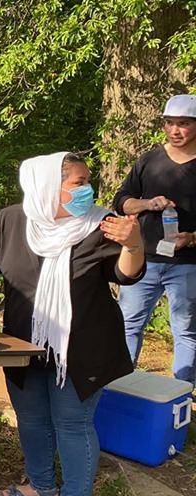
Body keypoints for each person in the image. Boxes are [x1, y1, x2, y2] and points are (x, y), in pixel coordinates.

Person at [0, 152, 144, 496]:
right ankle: (42, 485)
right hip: (23, 340)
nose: (88, 189)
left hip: (82, 346)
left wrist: (133, 245)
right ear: (47, 185)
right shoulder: (11, 220)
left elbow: (125, 275)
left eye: (87, 180)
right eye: (79, 182)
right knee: (30, 416)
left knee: (72, 423)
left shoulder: (100, 224)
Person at [113, 94, 196, 387]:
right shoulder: (149, 160)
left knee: (185, 332)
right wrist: (147, 203)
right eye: (169, 123)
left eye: (183, 123)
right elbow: (121, 201)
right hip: (142, 261)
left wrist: (192, 238)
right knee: (127, 325)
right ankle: (120, 388)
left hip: (187, 264)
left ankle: (182, 395)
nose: (175, 130)